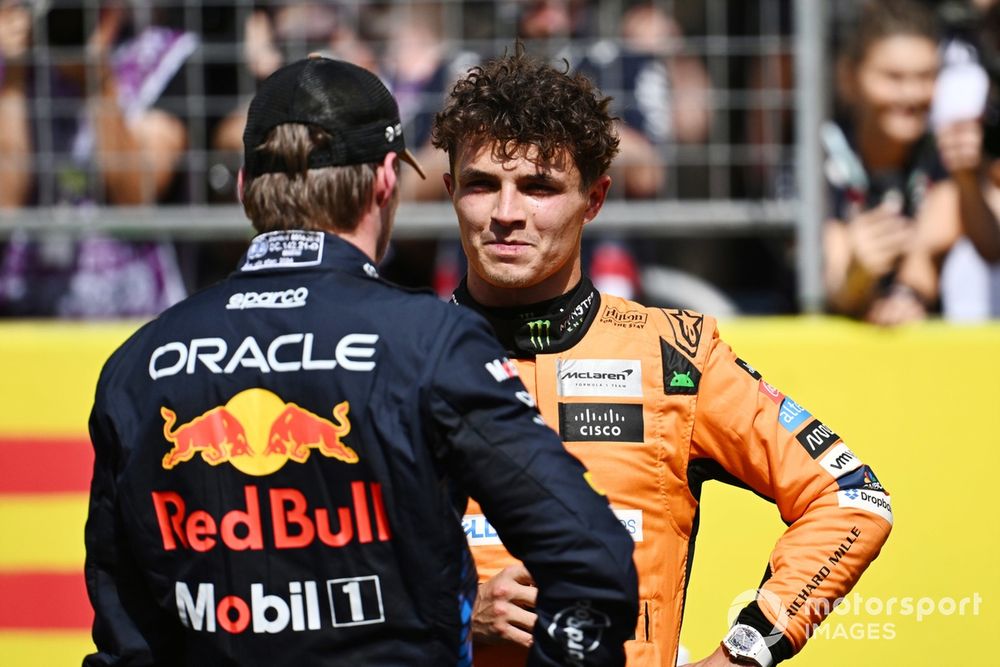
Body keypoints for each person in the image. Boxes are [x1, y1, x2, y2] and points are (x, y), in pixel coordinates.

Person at [83, 56, 639, 666]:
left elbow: (123, 635)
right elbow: (592, 558)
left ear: (244, 186)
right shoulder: (430, 341)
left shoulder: (137, 363)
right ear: (384, 181)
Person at [431, 48, 893, 667]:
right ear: (449, 193)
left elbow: (853, 499)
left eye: (540, 188)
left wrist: (742, 653)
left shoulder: (674, 353)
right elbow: (315, 561)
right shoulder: (394, 351)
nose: (507, 213)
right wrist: (455, 614)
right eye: (483, 184)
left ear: (594, 200)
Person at [0, 2, 193, 317]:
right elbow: (4, 206)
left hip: (135, 314)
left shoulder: (165, 56)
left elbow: (136, 197)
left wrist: (98, 81)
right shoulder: (11, 60)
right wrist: (13, 79)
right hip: (23, 312)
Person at [822, 0, 999, 324]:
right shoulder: (818, 157)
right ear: (850, 77)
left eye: (925, 76)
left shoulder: (944, 155)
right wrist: (857, 274)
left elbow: (985, 245)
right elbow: (826, 274)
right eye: (893, 77)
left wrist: (969, 180)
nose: (911, 95)